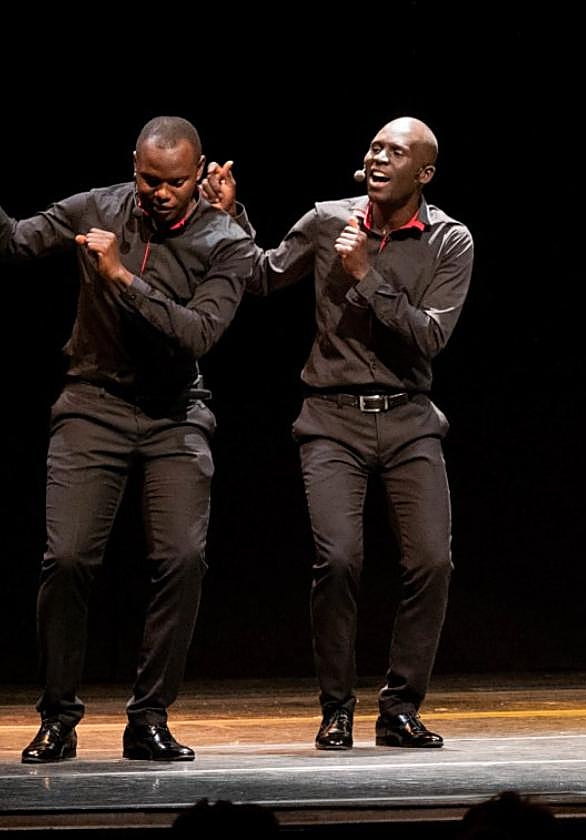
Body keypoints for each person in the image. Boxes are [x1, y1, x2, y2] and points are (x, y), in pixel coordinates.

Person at [202, 117, 473, 750]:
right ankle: (337, 707)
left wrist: (366, 277)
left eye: (395, 152)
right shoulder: (328, 220)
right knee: (339, 559)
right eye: (374, 147)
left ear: (423, 173)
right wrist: (229, 217)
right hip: (332, 419)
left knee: (432, 562)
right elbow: (263, 276)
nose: (378, 157)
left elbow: (431, 335)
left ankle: (400, 707)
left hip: (409, 419)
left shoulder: (450, 241)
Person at [4, 116, 255, 763]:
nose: (160, 193)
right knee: (65, 561)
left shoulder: (224, 239)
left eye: (175, 182)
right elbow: (16, 242)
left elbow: (198, 333)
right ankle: (58, 717)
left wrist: (119, 276)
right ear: (133, 167)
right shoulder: (97, 206)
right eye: (149, 180)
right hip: (93, 404)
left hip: (176, 413)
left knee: (182, 558)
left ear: (199, 175)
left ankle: (148, 717)